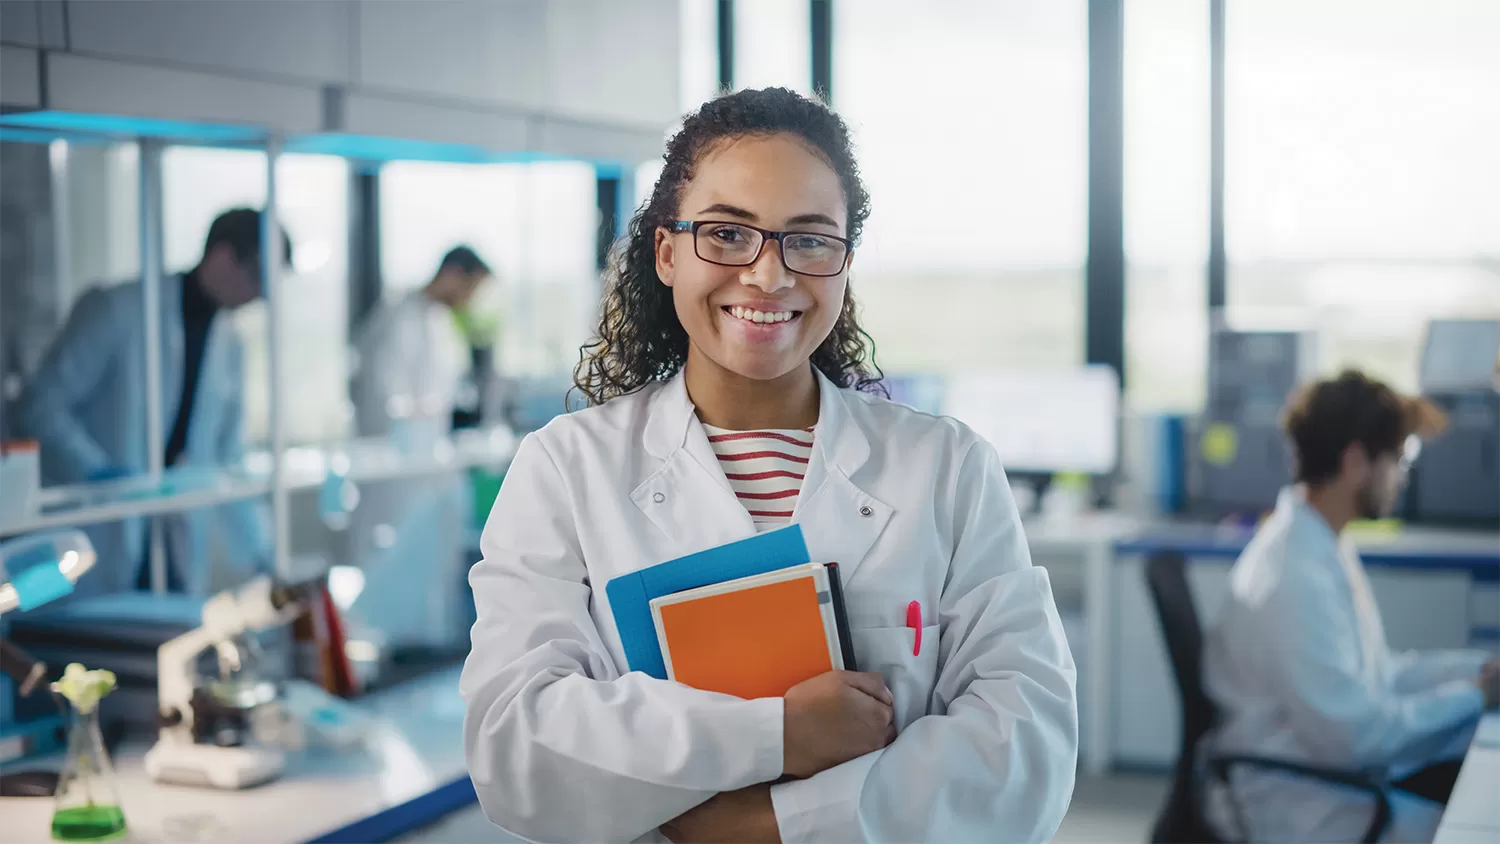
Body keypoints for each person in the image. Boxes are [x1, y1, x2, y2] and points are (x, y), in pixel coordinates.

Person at [460, 87, 1078, 843]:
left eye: (810, 240)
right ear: (665, 251)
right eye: (727, 234)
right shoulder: (566, 468)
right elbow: (514, 747)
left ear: (844, 263)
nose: (767, 275)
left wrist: (770, 826)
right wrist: (777, 734)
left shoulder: (946, 468)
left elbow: (1026, 749)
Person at [1202, 369, 1500, 843]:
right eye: (1399, 459)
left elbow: (1378, 677)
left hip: (1332, 777)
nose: (1402, 477)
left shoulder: (1318, 541)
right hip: (1307, 807)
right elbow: (1361, 736)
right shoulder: (1293, 578)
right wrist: (1474, 696)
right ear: (1357, 461)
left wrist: (1477, 672)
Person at [13, 208, 288, 598]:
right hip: (100, 529)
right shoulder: (117, 309)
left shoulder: (231, 344)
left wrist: (265, 557)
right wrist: (94, 470)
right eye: (258, 277)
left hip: (173, 542)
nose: (261, 296)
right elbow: (40, 406)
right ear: (224, 256)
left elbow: (228, 461)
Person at [345, 246, 492, 648]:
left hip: (427, 467)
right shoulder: (396, 319)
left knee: (425, 568)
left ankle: (421, 645)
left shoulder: (439, 324)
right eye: (471, 288)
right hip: (394, 473)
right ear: (452, 274)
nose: (470, 300)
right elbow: (381, 397)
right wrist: (422, 415)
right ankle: (382, 650)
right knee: (388, 572)